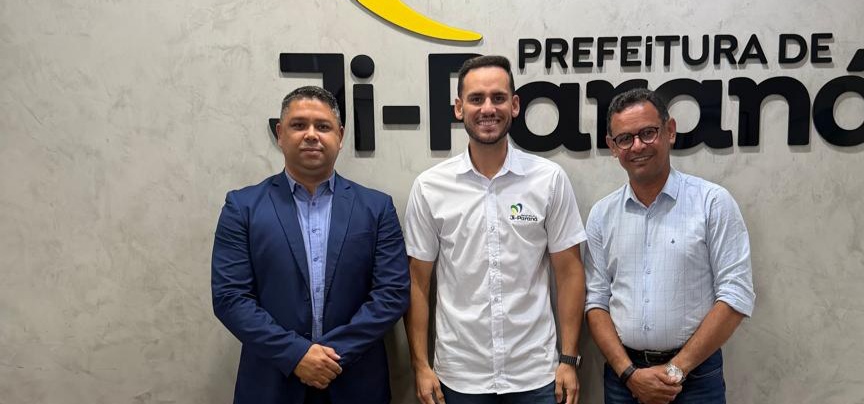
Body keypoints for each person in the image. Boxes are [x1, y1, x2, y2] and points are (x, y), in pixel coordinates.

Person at [404, 55, 587, 404]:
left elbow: (569, 273)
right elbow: (417, 282)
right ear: (459, 108)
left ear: (514, 105)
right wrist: (420, 365)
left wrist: (568, 359)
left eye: (498, 98)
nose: (488, 108)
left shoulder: (548, 180)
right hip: (460, 376)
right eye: (476, 99)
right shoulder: (430, 187)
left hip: (535, 374)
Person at [212, 86, 409, 404]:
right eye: (299, 125)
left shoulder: (376, 208)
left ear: (340, 136)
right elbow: (230, 298)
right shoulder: (242, 207)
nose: (311, 135)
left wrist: (331, 356)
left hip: (356, 383)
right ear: (280, 134)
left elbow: (392, 293)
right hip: (272, 384)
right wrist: (295, 355)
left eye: (323, 126)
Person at [584, 88, 755, 404]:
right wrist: (629, 374)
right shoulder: (601, 215)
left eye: (648, 133)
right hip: (623, 381)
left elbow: (736, 295)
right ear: (612, 146)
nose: (637, 146)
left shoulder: (712, 203)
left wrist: (675, 371)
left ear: (670, 131)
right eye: (625, 138)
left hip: (695, 380)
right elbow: (596, 302)